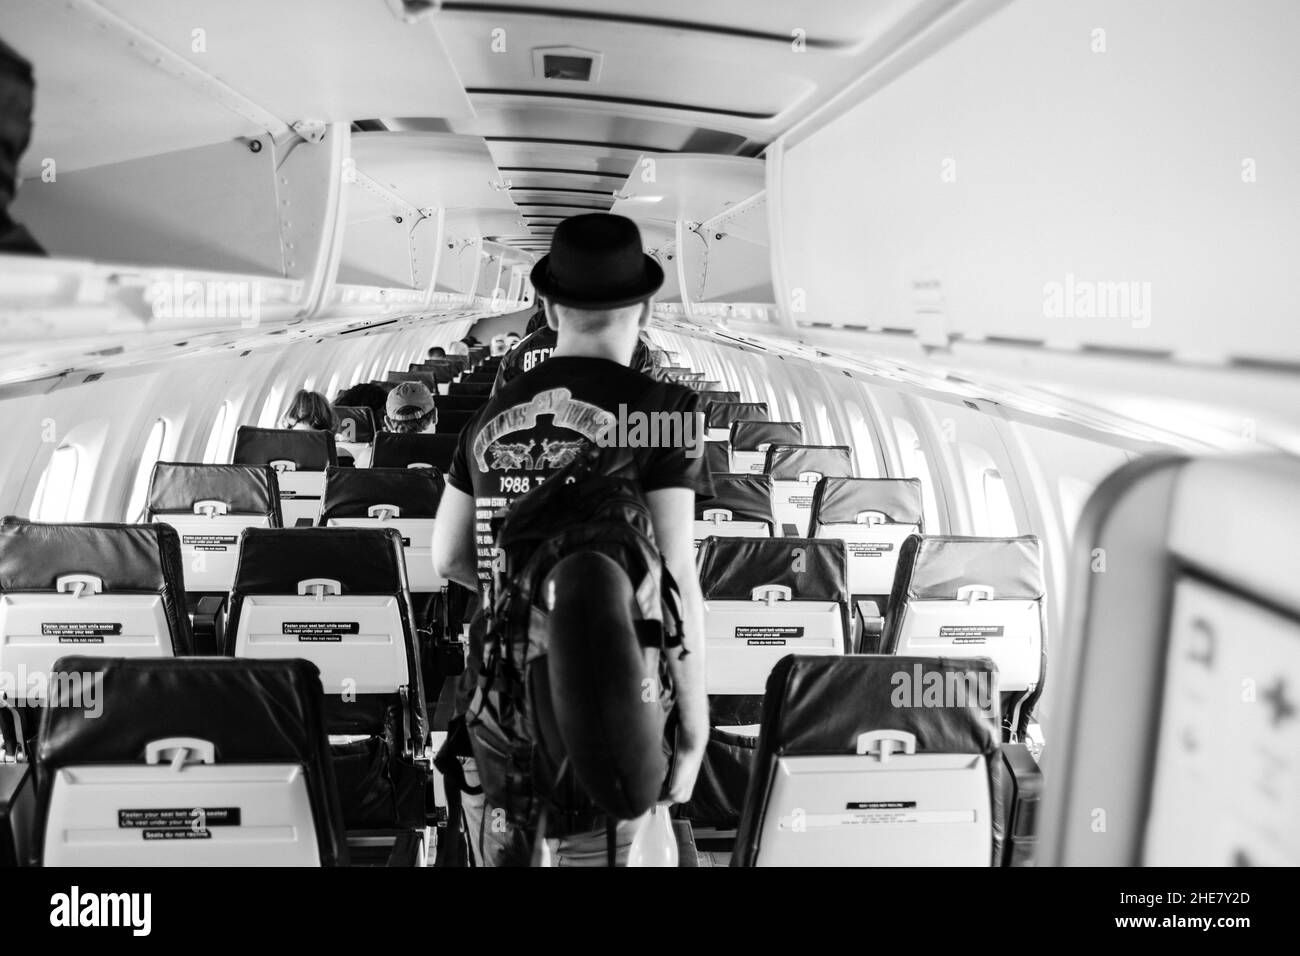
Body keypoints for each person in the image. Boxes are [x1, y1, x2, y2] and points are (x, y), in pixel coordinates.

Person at [432, 213, 711, 866]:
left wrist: (525, 592)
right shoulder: (662, 412)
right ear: (644, 305)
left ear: (548, 306)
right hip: (625, 694)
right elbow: (676, 574)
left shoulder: (490, 417)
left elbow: (446, 557)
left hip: (505, 703)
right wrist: (695, 728)